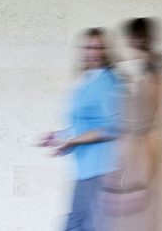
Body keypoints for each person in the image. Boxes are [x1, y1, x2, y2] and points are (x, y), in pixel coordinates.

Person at [41, 28, 124, 231]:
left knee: (78, 226)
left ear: (107, 50)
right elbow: (87, 122)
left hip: (102, 170)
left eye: (98, 47)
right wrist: (61, 136)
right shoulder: (88, 78)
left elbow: (113, 127)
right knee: (78, 225)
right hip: (86, 170)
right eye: (88, 47)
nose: (93, 52)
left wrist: (72, 140)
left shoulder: (108, 82)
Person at [101, 17, 162, 231]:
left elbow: (137, 122)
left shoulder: (144, 74)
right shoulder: (150, 71)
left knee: (131, 217)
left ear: (132, 40)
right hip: (139, 155)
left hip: (132, 156)